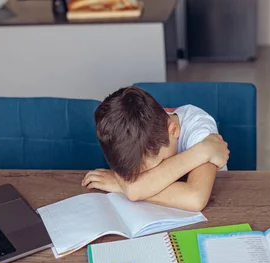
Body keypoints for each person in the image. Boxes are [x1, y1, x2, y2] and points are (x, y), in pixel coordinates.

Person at [81, 87, 229, 212]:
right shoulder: (124, 137)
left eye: (154, 168)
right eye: (140, 176)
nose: (148, 178)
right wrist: (202, 152)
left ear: (173, 131)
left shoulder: (200, 130)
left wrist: (126, 188)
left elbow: (195, 198)